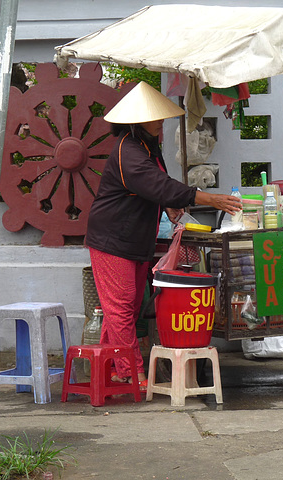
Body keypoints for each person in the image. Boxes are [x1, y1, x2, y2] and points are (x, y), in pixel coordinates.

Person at [86, 81, 242, 390]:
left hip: (134, 239)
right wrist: (209, 199)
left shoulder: (147, 146)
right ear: (136, 122)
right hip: (113, 240)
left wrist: (170, 205)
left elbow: (160, 184)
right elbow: (158, 186)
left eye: (159, 118)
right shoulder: (127, 151)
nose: (159, 124)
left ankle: (114, 370)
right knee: (121, 309)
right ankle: (132, 374)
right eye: (154, 119)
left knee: (126, 308)